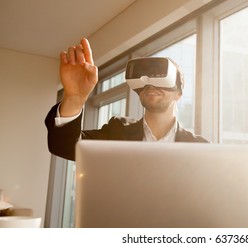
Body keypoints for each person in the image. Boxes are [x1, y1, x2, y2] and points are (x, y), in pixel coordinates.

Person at [45, 38, 208, 161]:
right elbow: (64, 146)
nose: (150, 85)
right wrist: (74, 98)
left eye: (158, 77)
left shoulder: (200, 149)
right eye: (145, 81)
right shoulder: (117, 131)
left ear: (178, 93)